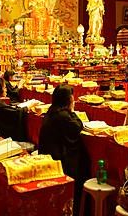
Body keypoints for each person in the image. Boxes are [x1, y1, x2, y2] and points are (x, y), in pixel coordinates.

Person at [38, 85, 88, 216]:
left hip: (49, 155)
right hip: (60, 160)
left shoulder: (52, 111)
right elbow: (78, 126)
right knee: (84, 162)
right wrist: (72, 110)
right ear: (67, 100)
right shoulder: (64, 116)